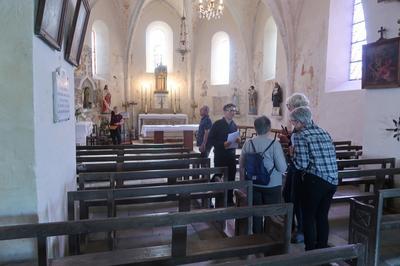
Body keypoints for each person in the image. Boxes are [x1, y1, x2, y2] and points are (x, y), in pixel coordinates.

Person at [289, 106, 338, 251]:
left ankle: (310, 250)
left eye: (293, 122)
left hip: (315, 180)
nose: (293, 125)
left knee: (308, 217)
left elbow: (302, 165)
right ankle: (322, 248)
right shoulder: (324, 131)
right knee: (322, 216)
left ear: (299, 122)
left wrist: (292, 155)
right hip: (332, 180)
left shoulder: (301, 135)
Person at [239, 116, 287, 233]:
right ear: (269, 128)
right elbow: (282, 168)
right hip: (272, 185)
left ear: (255, 128)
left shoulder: (248, 143)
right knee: (272, 215)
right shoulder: (274, 144)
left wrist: (243, 185)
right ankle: (269, 239)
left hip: (253, 184)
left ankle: (258, 239)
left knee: (256, 214)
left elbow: (241, 166)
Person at [281, 92, 310, 243]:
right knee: (288, 195)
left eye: (289, 106)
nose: (288, 109)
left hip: (299, 168)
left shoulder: (301, 125)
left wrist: (289, 144)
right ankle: (290, 226)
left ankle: (299, 230)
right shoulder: (299, 124)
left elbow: (300, 153)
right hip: (295, 167)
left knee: (296, 199)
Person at [208, 103, 240, 205]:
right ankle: (209, 194)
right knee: (218, 176)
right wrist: (223, 144)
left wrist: (238, 141)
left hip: (231, 155)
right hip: (220, 155)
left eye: (234, 110)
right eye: (230, 110)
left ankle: (230, 199)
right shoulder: (217, 124)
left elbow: (234, 139)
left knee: (231, 177)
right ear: (225, 112)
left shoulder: (234, 125)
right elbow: (211, 140)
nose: (233, 113)